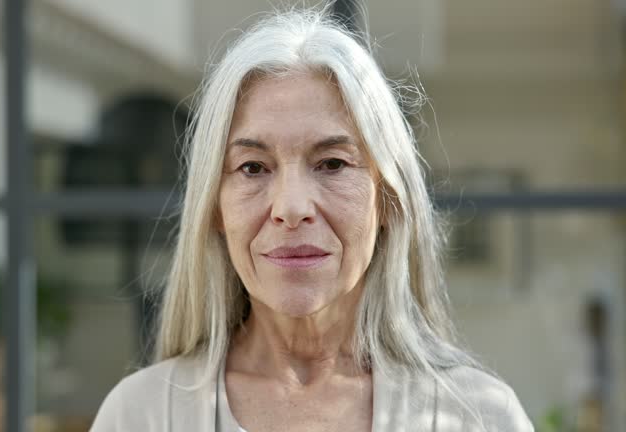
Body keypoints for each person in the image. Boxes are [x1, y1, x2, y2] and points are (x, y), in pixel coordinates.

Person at [90, 7, 533, 432]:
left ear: (388, 199)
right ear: (214, 209)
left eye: (333, 163)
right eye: (253, 167)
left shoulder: (479, 417)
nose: (291, 207)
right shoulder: (141, 415)